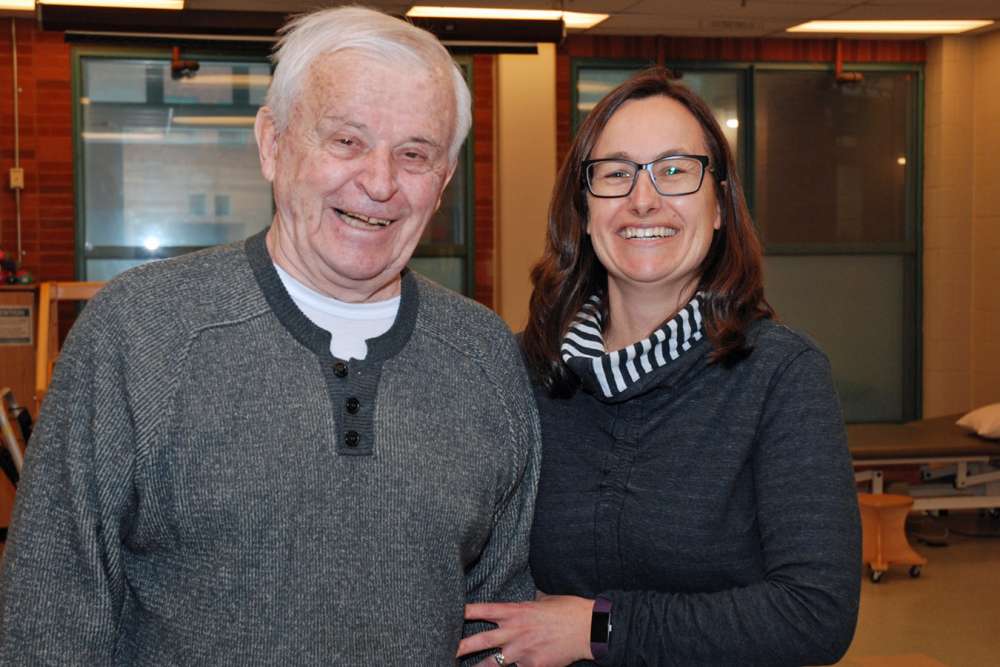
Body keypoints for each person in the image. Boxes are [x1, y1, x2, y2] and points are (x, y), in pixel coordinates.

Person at [0, 7, 540, 664]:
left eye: (415, 153)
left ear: (445, 179)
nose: (378, 182)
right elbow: (48, 613)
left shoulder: (483, 356)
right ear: (272, 143)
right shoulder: (139, 333)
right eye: (345, 140)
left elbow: (499, 621)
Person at [458, 67, 860, 666]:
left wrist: (596, 629)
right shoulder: (523, 372)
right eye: (615, 174)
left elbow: (815, 613)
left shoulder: (781, 375)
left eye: (675, 171)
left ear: (720, 205)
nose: (643, 198)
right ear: (584, 210)